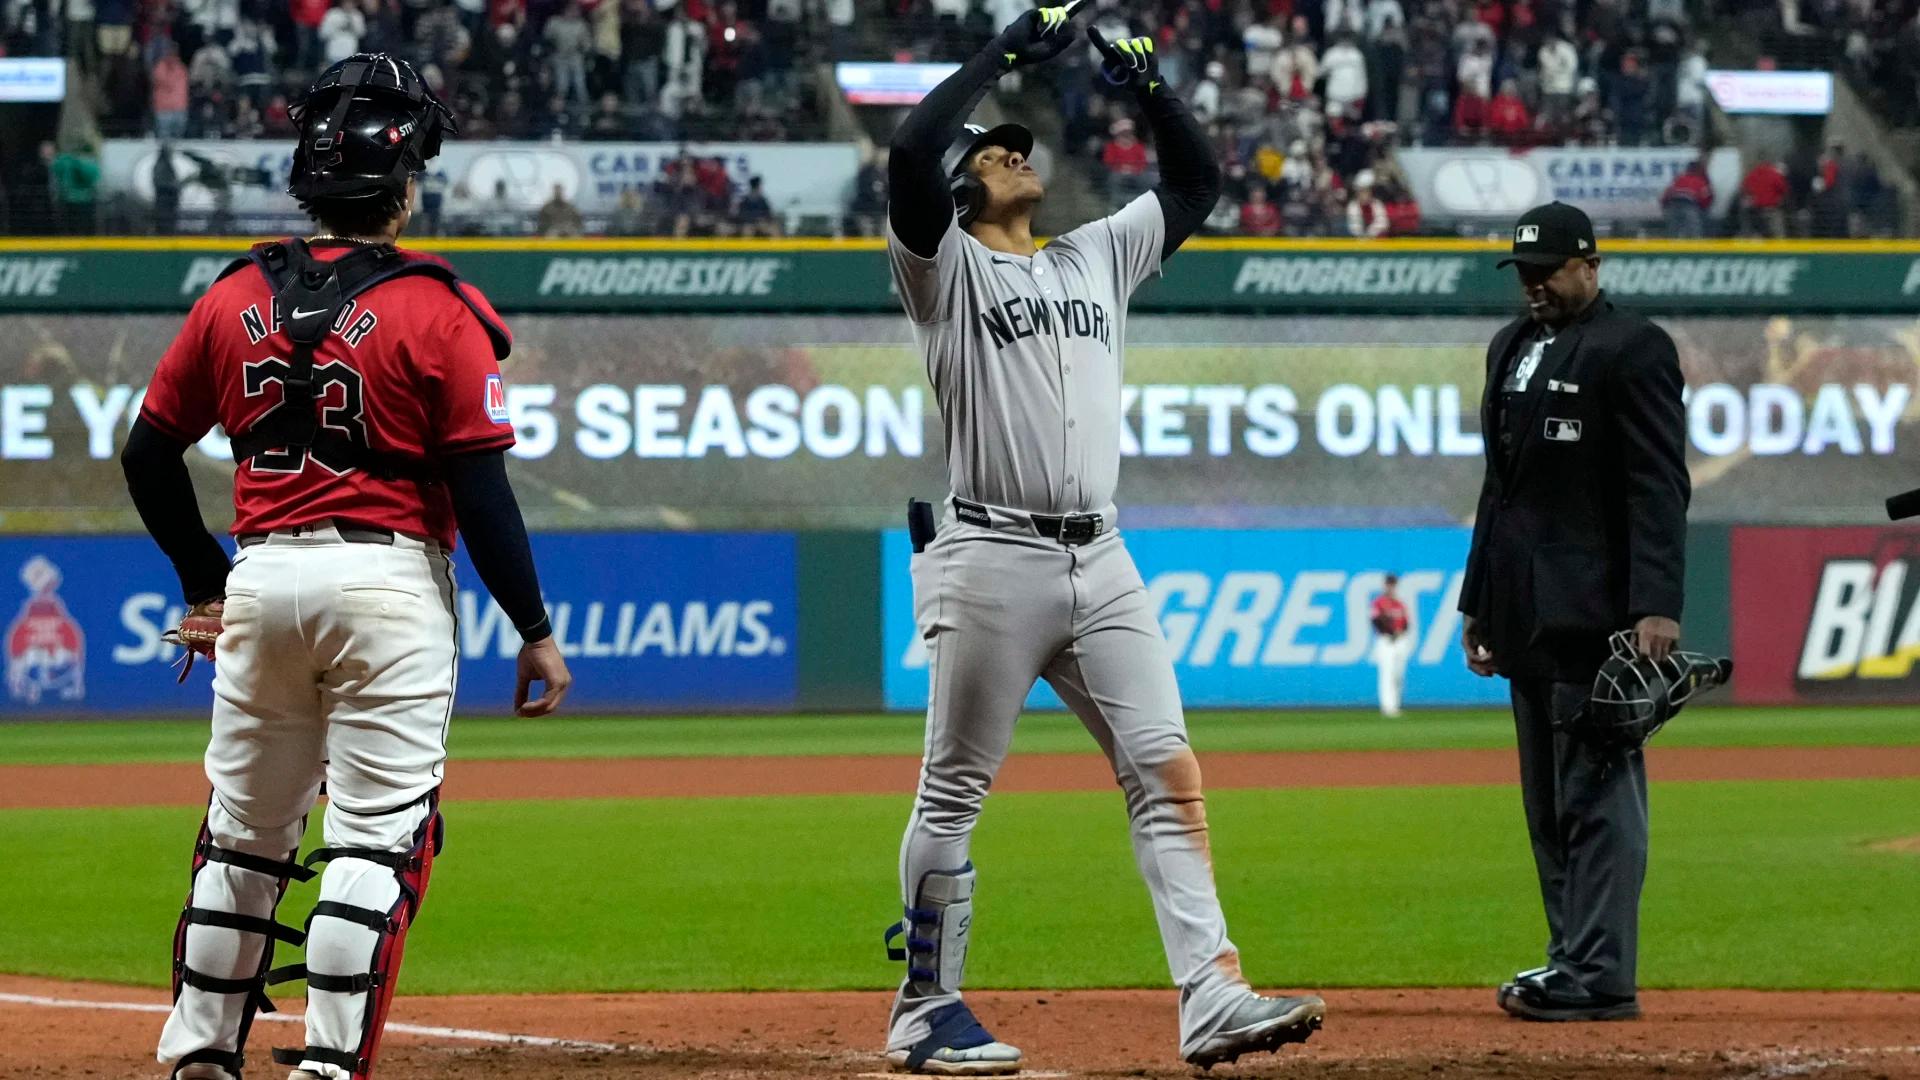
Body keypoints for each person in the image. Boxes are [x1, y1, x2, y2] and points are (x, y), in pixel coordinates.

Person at [882, 5, 1325, 1073]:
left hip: (1105, 558)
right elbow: (908, 146)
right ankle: (925, 1008)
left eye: (1022, 148)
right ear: (964, 191)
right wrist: (1001, 53)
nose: (1016, 158)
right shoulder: (944, 272)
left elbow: (1196, 187)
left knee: (1165, 769)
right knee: (954, 787)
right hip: (991, 554)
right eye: (996, 152)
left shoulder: (1093, 257)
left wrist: (1150, 87)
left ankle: (1212, 993)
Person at [124, 54, 572, 1080]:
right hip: (385, 585)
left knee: (242, 841)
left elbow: (147, 455)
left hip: (262, 577)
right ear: (403, 185)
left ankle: (200, 1054)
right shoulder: (439, 305)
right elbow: (481, 494)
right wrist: (535, 629)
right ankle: (328, 1067)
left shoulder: (231, 294)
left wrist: (205, 579)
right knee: (372, 847)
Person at [1460, 201, 1689, 1023]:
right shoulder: (1511, 347)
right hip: (1521, 605)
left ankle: (1600, 971)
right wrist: (1476, 597)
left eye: (1547, 271)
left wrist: (1656, 604)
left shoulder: (1635, 348)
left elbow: (1658, 485)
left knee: (1597, 794)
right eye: (1523, 272)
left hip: (1597, 612)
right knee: (1549, 805)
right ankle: (1571, 959)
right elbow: (1500, 488)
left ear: (1590, 265)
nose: (1533, 286)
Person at [1371, 573, 1412, 716]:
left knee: (1398, 674)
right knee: (1386, 673)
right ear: (1385, 585)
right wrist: (1391, 631)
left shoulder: (1400, 604)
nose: (1391, 587)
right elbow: (1376, 621)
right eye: (1389, 584)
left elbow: (1407, 623)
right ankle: (1388, 706)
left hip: (1400, 641)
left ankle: (1396, 704)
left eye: (1393, 584)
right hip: (1386, 641)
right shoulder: (1379, 602)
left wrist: (1401, 631)